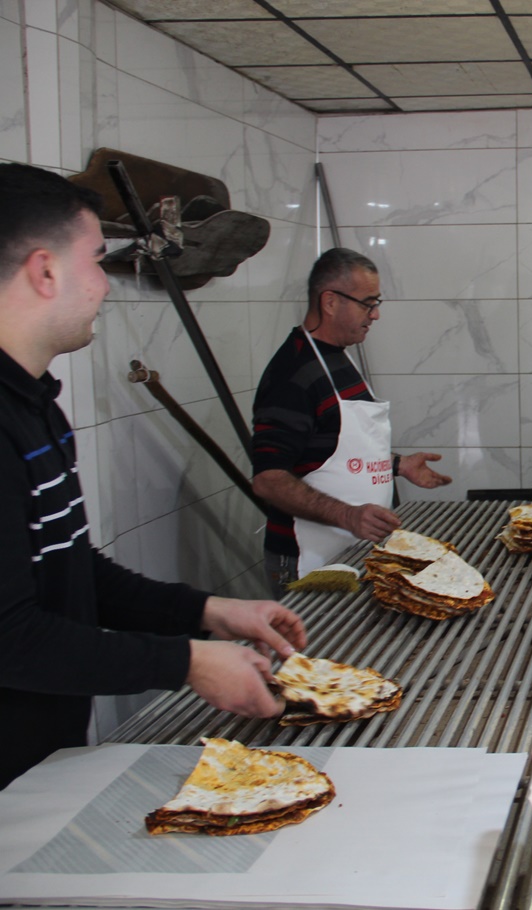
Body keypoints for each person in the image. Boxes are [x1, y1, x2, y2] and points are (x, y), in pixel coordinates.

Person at [0, 162, 307, 789]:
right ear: (45, 271)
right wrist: (187, 662)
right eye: (95, 259)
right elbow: (11, 635)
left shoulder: (36, 406)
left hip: (37, 763)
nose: (105, 285)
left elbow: (72, 569)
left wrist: (210, 611)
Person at [251, 248, 452, 593]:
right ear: (330, 302)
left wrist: (398, 465)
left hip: (350, 549)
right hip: (306, 559)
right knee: (313, 646)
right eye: (367, 303)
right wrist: (347, 515)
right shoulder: (293, 373)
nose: (375, 315)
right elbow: (269, 480)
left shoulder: (339, 358)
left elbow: (331, 450)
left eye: (377, 303)